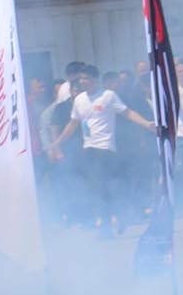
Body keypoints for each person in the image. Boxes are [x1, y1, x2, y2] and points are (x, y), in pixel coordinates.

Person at [46, 69, 157, 237]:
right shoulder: (80, 100)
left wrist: (146, 124)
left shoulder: (108, 96)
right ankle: (110, 221)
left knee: (109, 187)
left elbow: (127, 112)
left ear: (95, 80)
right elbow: (73, 123)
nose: (83, 82)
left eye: (86, 78)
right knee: (97, 188)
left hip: (106, 149)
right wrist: (59, 141)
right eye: (81, 79)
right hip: (89, 150)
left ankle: (114, 219)